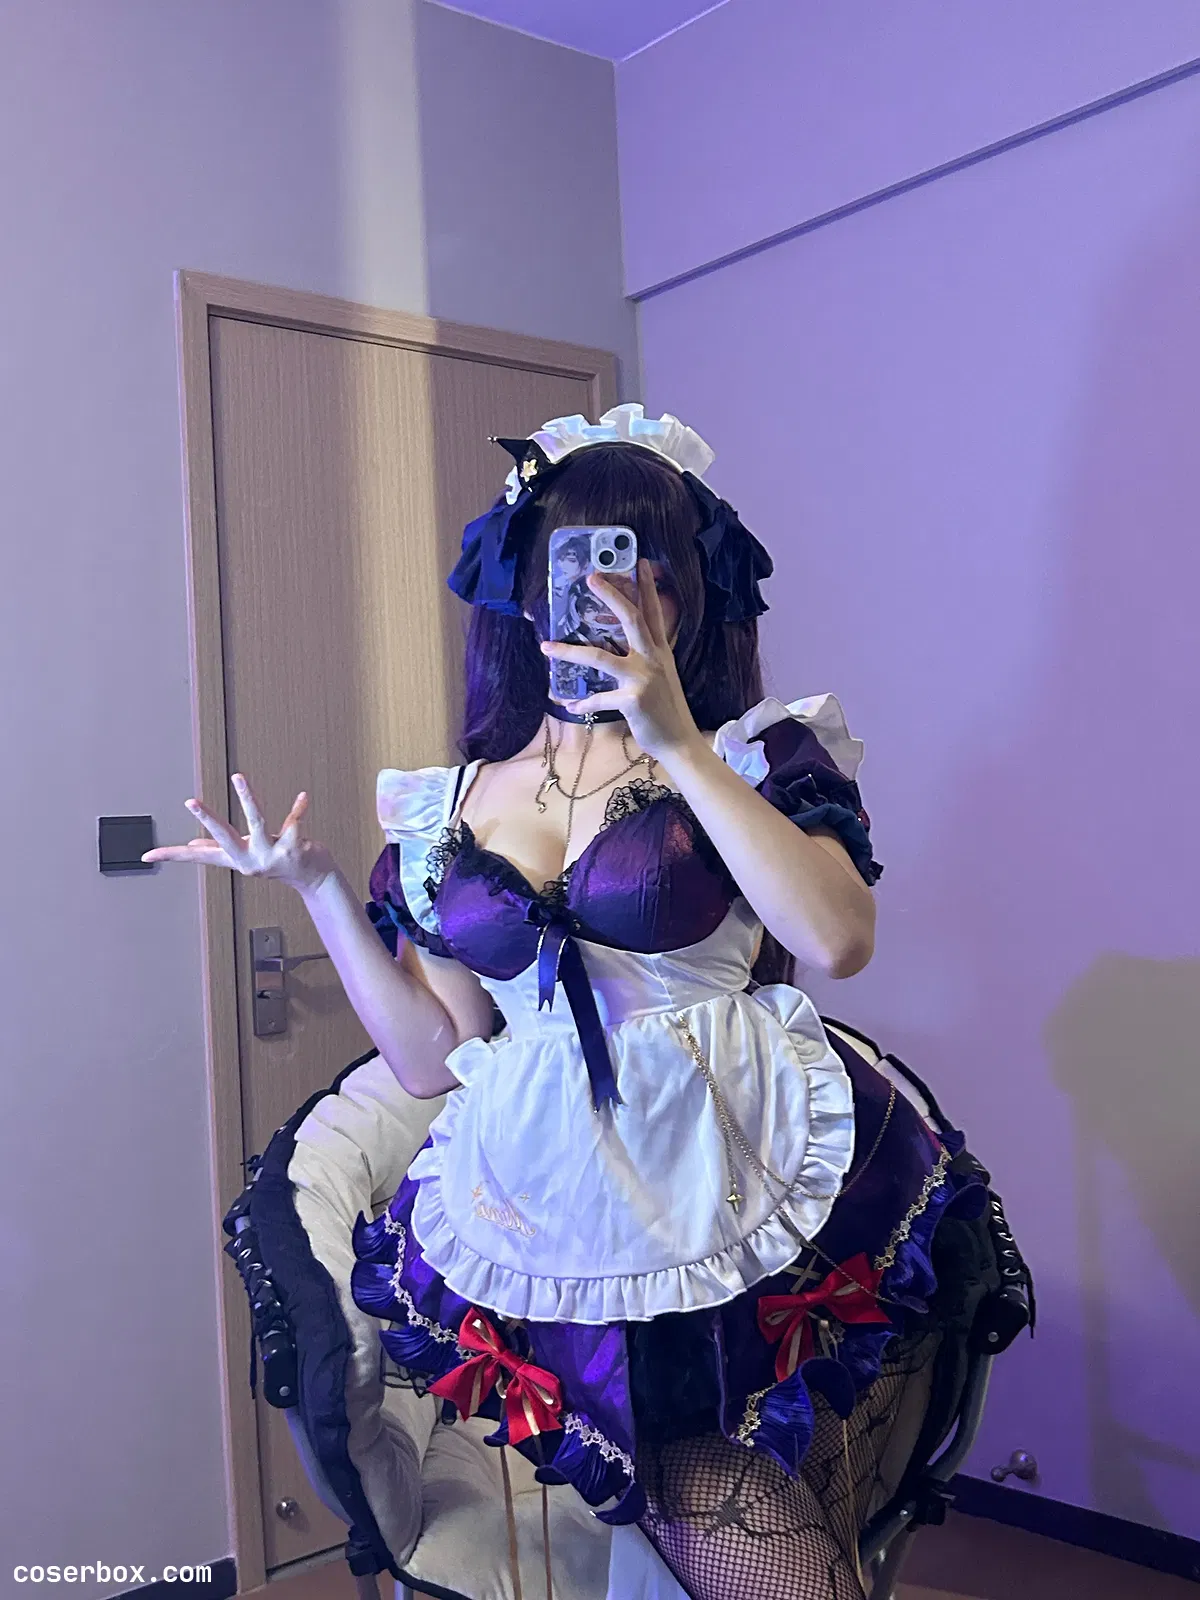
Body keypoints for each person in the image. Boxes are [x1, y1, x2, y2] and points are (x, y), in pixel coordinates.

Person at [147, 403, 984, 1600]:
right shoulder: (449, 801)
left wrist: (676, 738)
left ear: (688, 592)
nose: (605, 594)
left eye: (643, 566)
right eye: (572, 565)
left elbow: (838, 939)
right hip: (547, 1200)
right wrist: (321, 885)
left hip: (713, 1171)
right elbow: (435, 1053)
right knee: (667, 1510)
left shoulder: (752, 756)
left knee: (720, 1498)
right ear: (523, 589)